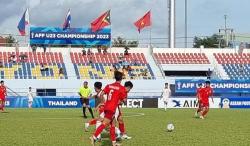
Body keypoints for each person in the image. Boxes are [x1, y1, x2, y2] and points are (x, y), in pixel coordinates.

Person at [90, 71, 133, 146]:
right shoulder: (121, 88)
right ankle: (94, 137)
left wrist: (106, 101)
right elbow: (124, 100)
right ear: (121, 78)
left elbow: (101, 94)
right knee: (104, 123)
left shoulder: (109, 85)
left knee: (113, 124)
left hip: (106, 106)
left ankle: (114, 143)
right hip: (112, 108)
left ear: (115, 77)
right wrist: (122, 99)